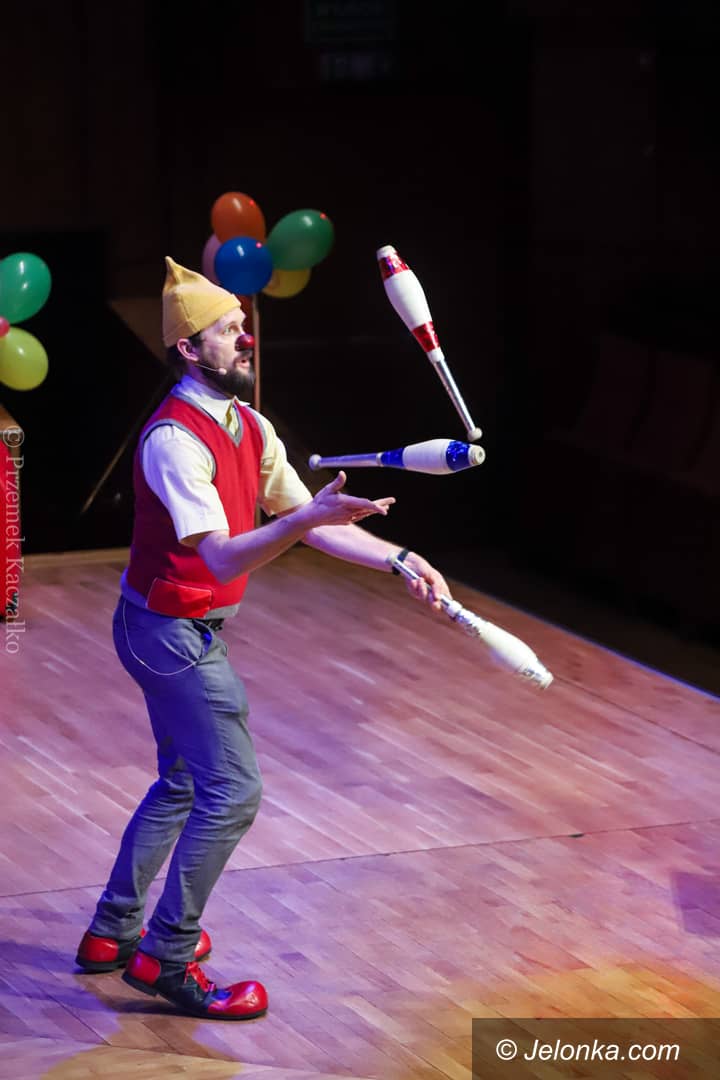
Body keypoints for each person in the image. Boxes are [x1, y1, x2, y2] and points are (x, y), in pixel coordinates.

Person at [75, 257, 451, 1020]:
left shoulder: (249, 424)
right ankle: (166, 957)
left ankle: (113, 933)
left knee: (186, 781)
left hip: (179, 627)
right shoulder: (173, 441)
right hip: (167, 633)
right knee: (232, 791)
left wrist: (398, 559)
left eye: (243, 327)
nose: (246, 339)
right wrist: (304, 518)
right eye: (228, 331)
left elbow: (309, 526)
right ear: (189, 349)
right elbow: (221, 555)